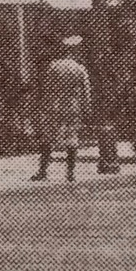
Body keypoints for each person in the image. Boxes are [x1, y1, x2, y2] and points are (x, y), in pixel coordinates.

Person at [32, 37, 91, 183]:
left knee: (48, 138)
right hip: (72, 106)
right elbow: (86, 91)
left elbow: (46, 88)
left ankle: (43, 171)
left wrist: (44, 106)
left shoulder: (53, 66)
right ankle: (70, 173)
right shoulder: (79, 68)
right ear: (74, 51)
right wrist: (86, 109)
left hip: (55, 106)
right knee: (72, 139)